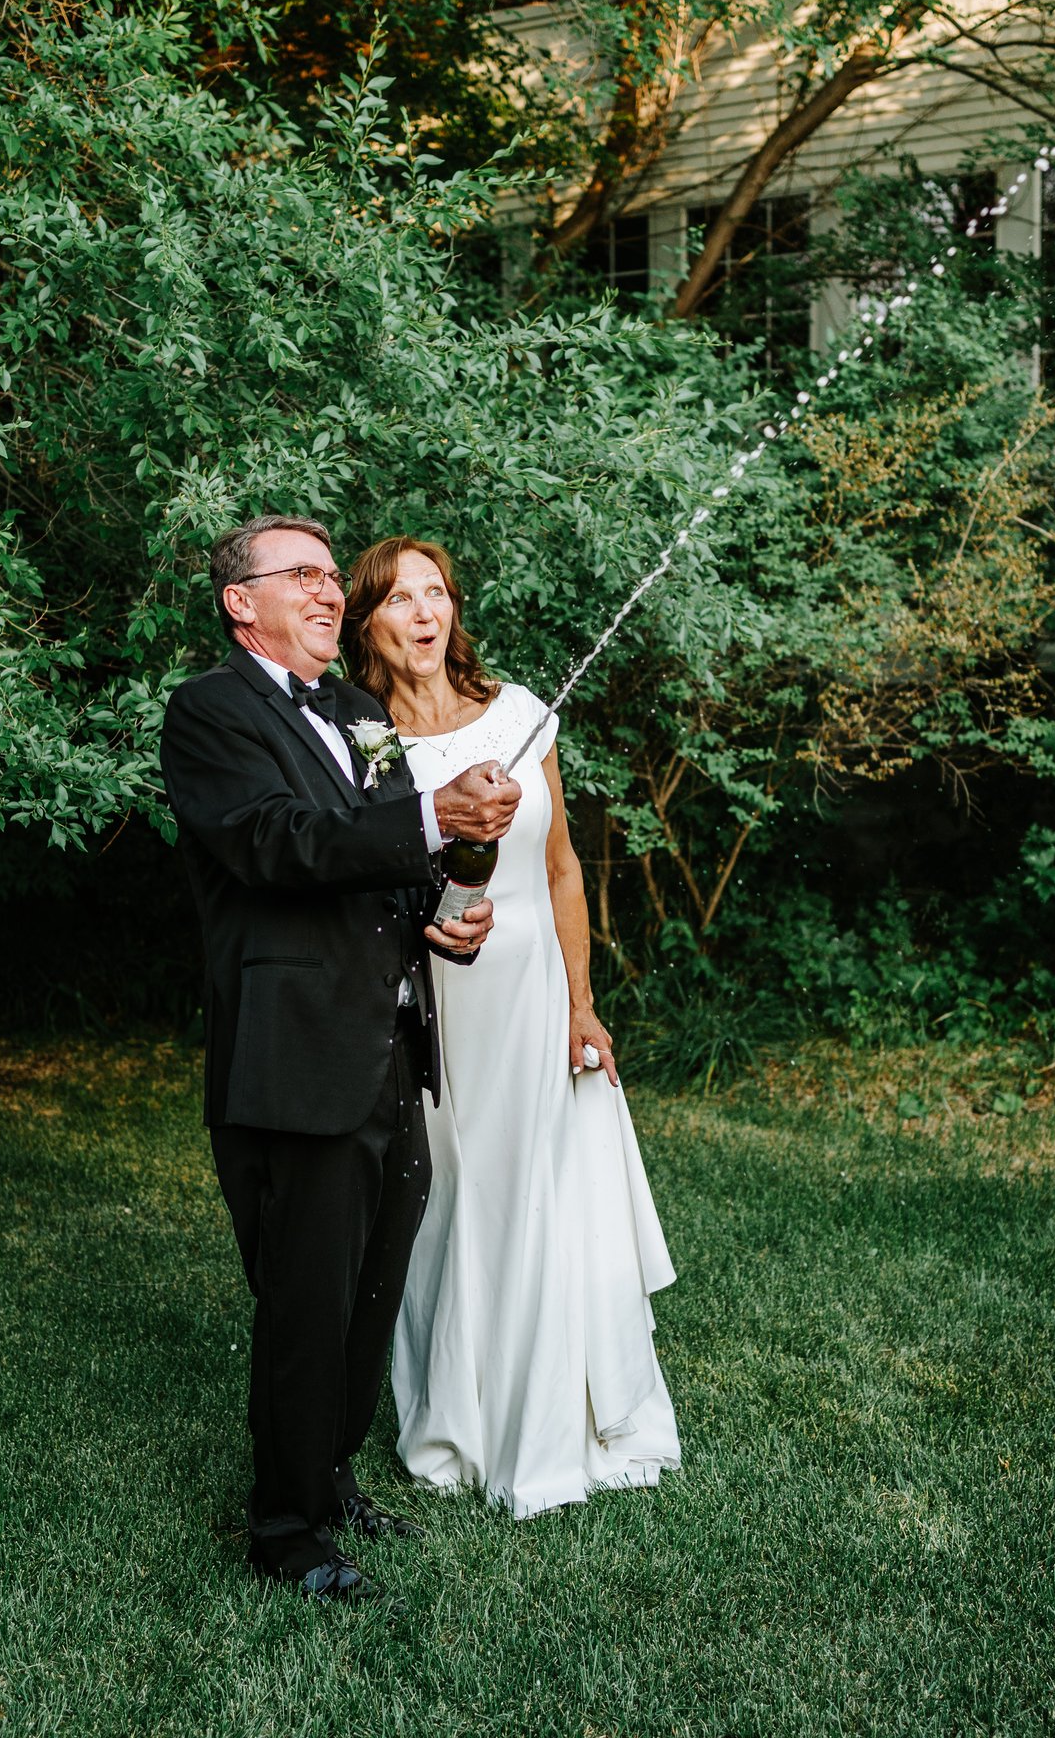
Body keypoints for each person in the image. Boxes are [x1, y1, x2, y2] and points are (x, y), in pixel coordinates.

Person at [159, 514, 521, 1601]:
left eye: (330, 574)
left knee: (372, 1281)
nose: (328, 591)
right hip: (292, 1054)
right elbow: (276, 843)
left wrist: (442, 909)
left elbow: (387, 850)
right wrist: (427, 820)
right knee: (306, 1294)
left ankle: (330, 1475)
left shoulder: (361, 712)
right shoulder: (209, 711)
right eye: (303, 575)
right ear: (241, 602)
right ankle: (285, 1530)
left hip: (389, 1043)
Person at [342, 536, 680, 1519]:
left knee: (538, 1189)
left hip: (532, 989)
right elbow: (359, 874)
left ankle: (549, 1420)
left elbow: (562, 865)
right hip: (435, 1002)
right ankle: (457, 1416)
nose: (423, 613)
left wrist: (581, 1001)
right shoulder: (362, 740)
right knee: (450, 1198)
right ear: (366, 621)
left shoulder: (521, 711)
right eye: (398, 598)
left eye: (435, 592)